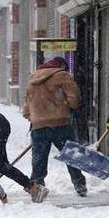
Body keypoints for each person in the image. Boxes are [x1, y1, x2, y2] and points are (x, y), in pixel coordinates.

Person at [23, 56, 87, 197]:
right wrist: (69, 107)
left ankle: (37, 186)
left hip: (38, 125)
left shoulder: (33, 78)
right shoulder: (62, 75)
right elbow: (74, 97)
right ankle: (79, 184)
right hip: (60, 123)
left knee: (39, 159)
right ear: (62, 66)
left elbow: (27, 105)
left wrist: (33, 116)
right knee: (71, 155)